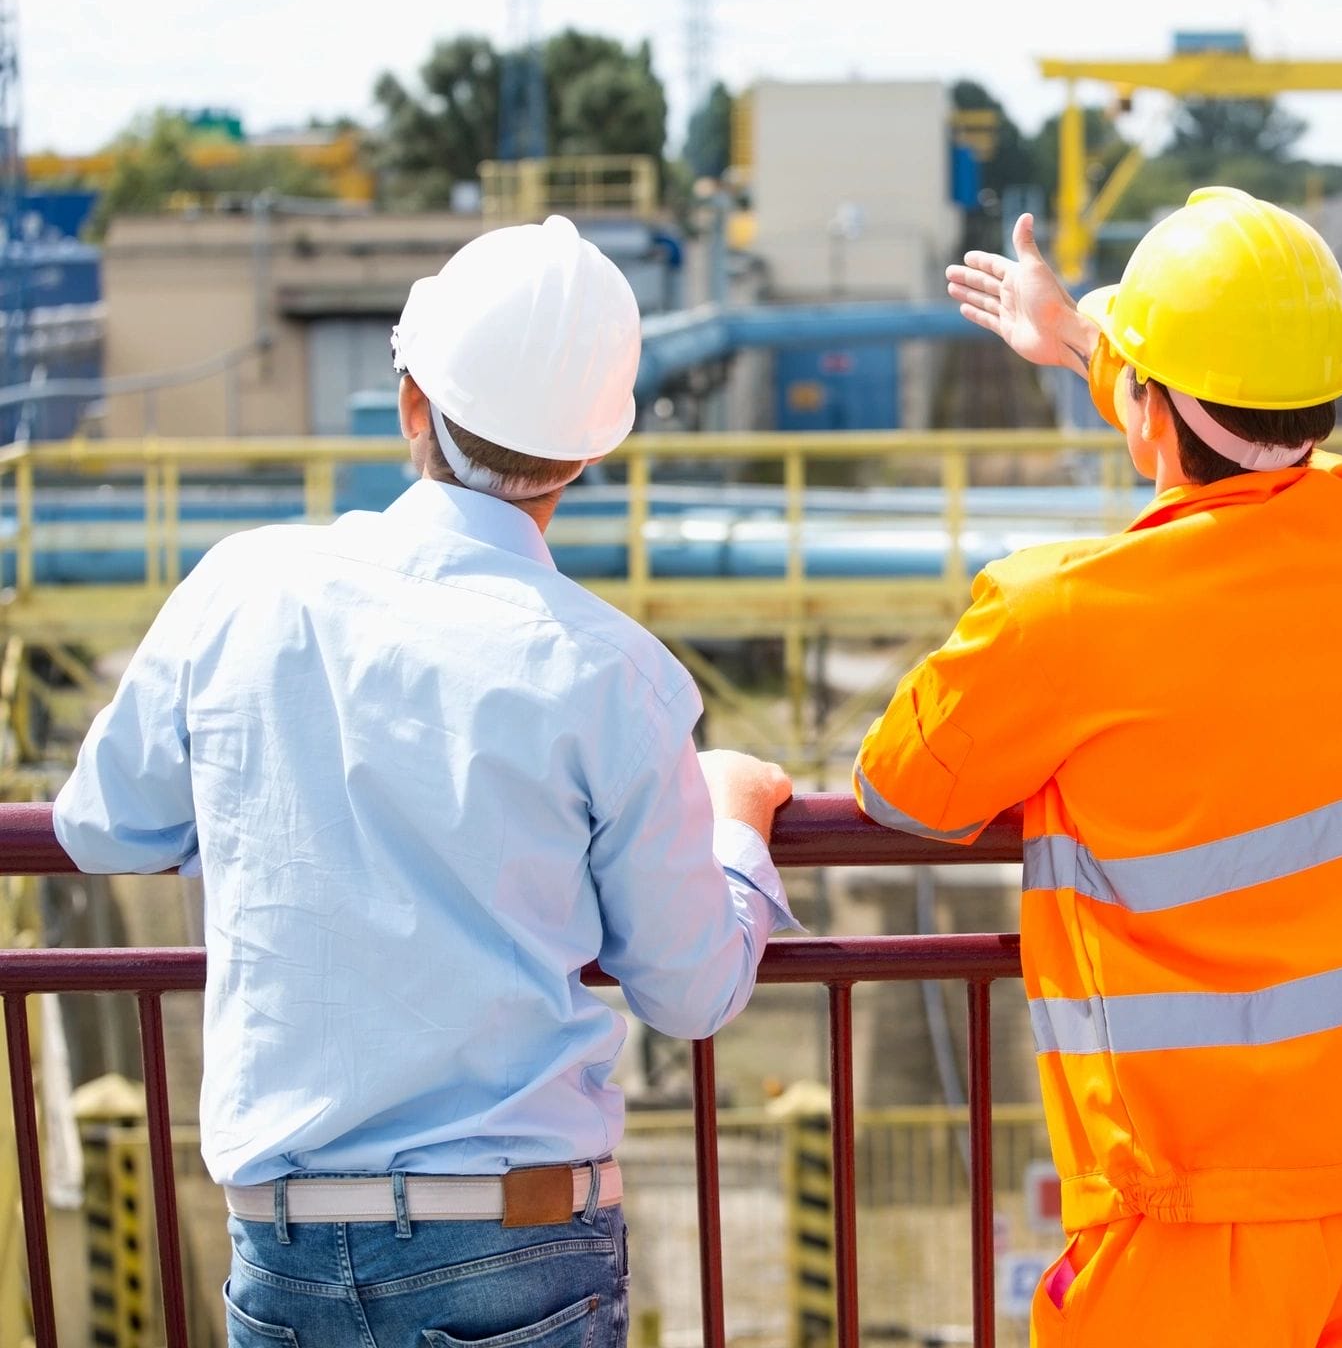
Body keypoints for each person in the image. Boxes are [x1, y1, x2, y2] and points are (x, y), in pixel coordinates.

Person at [54, 215, 797, 1348]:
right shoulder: (613, 671)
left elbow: (104, 827)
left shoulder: (241, 587)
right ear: (589, 455)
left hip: (285, 1245)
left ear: (414, 404)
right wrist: (737, 826)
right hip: (516, 1248)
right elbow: (690, 993)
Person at [855, 189, 1342, 1345]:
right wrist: (1083, 336)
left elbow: (902, 789)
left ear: (1152, 408)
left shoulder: (1064, 613)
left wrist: (1103, 346)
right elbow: (1245, 436)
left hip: (1198, 1217)